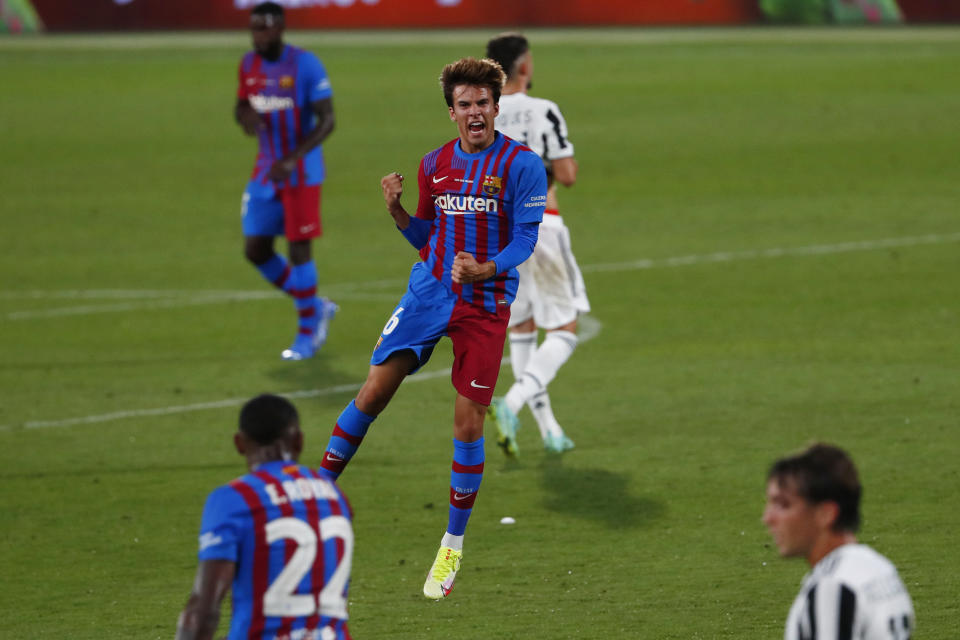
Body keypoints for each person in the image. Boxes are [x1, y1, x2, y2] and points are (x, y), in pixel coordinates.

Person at [315, 57, 546, 600]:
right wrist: (397, 212)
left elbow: (526, 238)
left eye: (483, 104)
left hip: (485, 304)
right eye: (464, 105)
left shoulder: (521, 165)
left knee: (467, 425)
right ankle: (316, 494)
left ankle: (451, 544)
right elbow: (427, 235)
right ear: (452, 112)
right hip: (429, 291)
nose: (475, 114)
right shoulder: (434, 165)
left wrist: (487, 268)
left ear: (496, 107)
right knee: (373, 391)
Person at [483, 33, 590, 456]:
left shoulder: (481, 113)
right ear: (524, 66)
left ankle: (548, 431)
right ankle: (510, 404)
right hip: (541, 225)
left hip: (496, 233)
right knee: (564, 328)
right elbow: (566, 175)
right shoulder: (543, 110)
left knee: (522, 329)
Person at [175, 394, 354, 640]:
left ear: (239, 444)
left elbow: (203, 613)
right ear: (299, 441)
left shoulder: (233, 500)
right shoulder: (335, 497)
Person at [235, 2, 338, 361]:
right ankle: (316, 305)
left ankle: (308, 332)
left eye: (264, 28)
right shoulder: (249, 65)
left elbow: (328, 120)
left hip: (301, 173)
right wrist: (244, 114)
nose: (258, 35)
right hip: (266, 170)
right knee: (256, 249)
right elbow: (242, 105)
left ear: (280, 28)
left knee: (298, 250)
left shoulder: (305, 65)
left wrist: (293, 157)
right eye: (254, 28)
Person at [763, 443, 915, 640]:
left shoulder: (832, 588)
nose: (768, 517)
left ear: (826, 514)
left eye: (784, 505)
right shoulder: (879, 569)